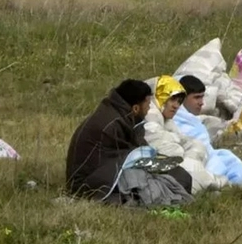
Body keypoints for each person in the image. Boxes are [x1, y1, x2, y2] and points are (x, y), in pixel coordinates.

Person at [65, 79, 193, 203]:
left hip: (107, 171)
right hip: (86, 185)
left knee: (181, 176)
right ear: (136, 108)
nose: (149, 109)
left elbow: (137, 150)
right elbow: (128, 159)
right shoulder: (112, 124)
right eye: (148, 105)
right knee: (156, 185)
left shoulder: (124, 116)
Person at [144, 76, 228, 195]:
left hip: (166, 164)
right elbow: (159, 143)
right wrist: (180, 147)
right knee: (190, 167)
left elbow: (181, 138)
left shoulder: (165, 117)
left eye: (179, 101)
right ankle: (216, 183)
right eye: (172, 99)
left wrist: (185, 145)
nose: (176, 105)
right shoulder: (151, 113)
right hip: (152, 165)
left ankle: (211, 184)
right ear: (161, 96)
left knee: (197, 147)